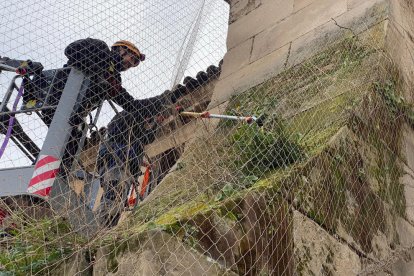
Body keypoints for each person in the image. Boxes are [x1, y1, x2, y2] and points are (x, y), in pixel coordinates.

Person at [42, 38, 170, 176]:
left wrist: (163, 100)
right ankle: (49, 172)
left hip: (75, 116)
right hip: (59, 99)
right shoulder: (99, 48)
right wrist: (97, 70)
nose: (129, 64)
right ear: (120, 50)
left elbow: (132, 105)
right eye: (130, 58)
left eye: (133, 63)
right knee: (65, 140)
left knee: (72, 141)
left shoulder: (113, 78)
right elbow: (70, 49)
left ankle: (55, 173)